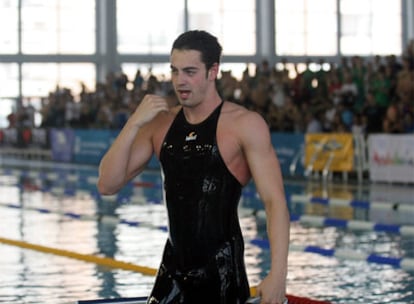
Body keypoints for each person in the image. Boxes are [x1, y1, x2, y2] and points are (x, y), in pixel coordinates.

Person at [97, 30, 290, 304]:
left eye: (189, 72)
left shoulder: (244, 125)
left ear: (213, 71)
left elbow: (275, 202)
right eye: (174, 71)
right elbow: (107, 184)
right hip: (172, 273)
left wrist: (278, 273)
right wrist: (133, 123)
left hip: (222, 274)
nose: (180, 81)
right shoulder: (161, 123)